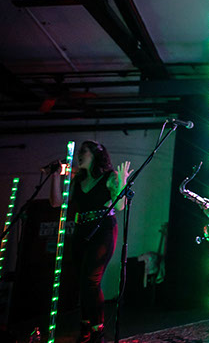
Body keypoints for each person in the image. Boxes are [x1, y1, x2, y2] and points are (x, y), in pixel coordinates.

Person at [50, 141, 132, 343]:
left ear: (95, 154)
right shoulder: (78, 179)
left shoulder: (109, 176)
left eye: (83, 151)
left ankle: (97, 330)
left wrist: (122, 182)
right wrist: (55, 176)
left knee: (91, 281)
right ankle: (86, 327)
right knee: (82, 282)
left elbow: (120, 206)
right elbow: (56, 202)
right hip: (81, 231)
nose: (79, 155)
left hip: (103, 230)